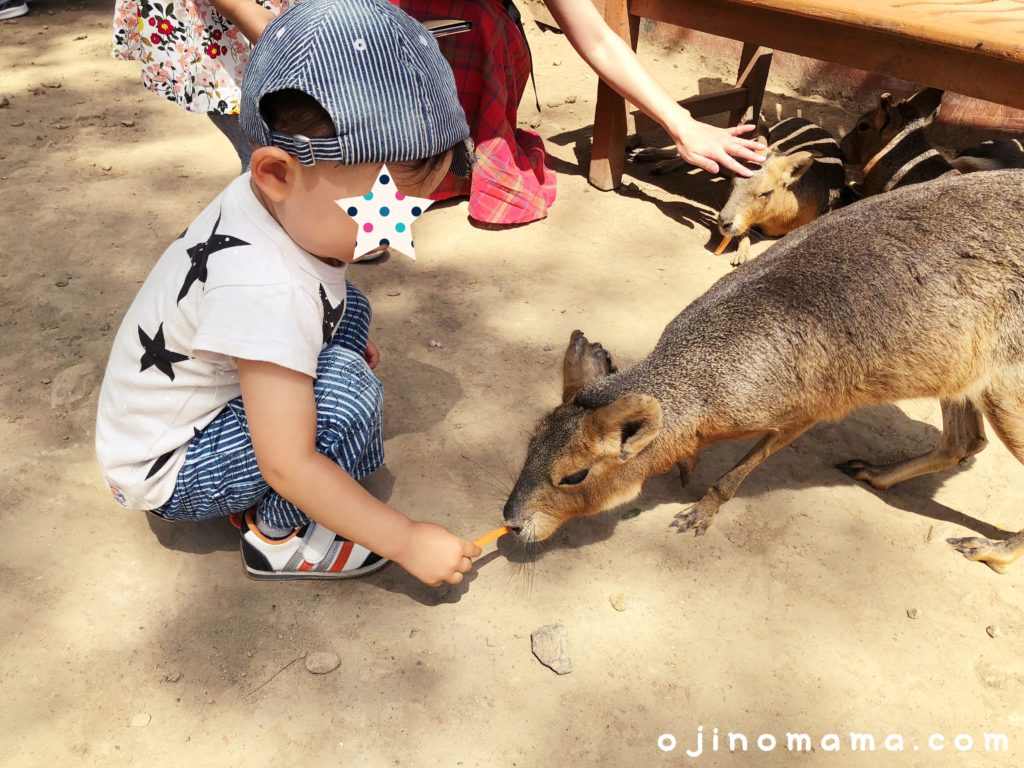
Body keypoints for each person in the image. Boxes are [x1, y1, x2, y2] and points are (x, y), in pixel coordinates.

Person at [95, 0, 482, 584]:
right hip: (173, 465)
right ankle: (277, 536)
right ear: (276, 173)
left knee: (352, 309)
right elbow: (288, 463)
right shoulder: (265, 287)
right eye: (383, 210)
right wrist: (405, 540)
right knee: (349, 396)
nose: (400, 230)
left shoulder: (267, 203)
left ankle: (309, 416)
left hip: (195, 396)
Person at [216, 0, 764, 225]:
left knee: (479, 18)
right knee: (324, 222)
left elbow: (594, 35)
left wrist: (680, 122)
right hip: (355, 54)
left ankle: (447, 168)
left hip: (465, 49)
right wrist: (316, 60)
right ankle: (363, 180)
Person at [110, 0, 294, 170]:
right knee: (267, 156)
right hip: (229, 33)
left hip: (264, 28)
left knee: (273, 156)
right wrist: (291, 45)